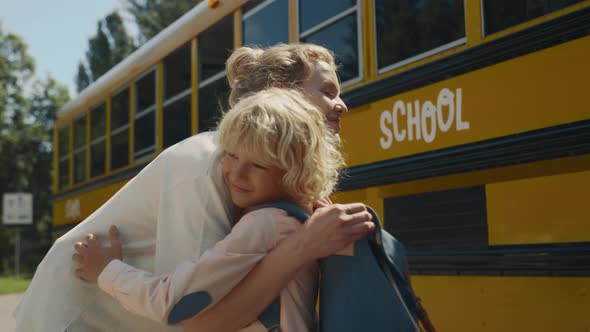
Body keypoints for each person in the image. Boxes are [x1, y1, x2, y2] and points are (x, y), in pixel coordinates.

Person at [14, 44, 373, 332]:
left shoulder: (273, 194)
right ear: (282, 94)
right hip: (78, 317)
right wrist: (301, 247)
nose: (341, 105)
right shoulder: (206, 167)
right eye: (327, 91)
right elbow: (197, 319)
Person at [74, 88, 344, 331]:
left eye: (258, 165)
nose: (236, 174)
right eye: (231, 155)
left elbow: (174, 302)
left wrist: (107, 271)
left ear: (294, 172)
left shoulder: (265, 225)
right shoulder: (299, 218)